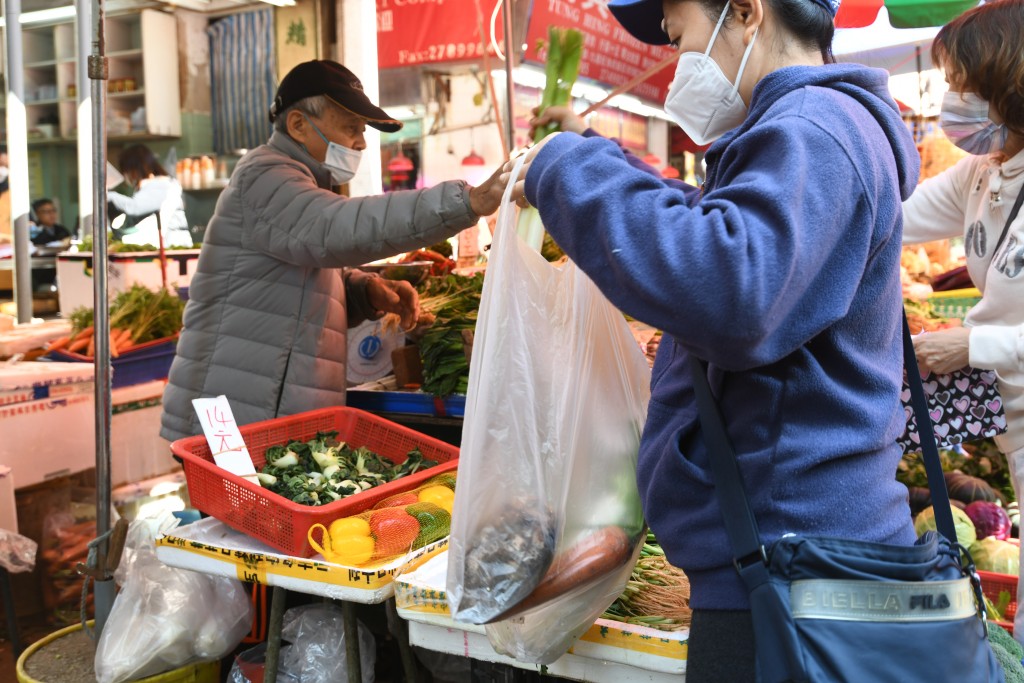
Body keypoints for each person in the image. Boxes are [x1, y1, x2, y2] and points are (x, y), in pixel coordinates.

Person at [506, 0, 920, 677]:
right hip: (783, 567)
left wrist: (565, 167)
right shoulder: (802, 131)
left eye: (680, 35)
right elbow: (718, 232)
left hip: (793, 579)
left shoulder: (816, 128)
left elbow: (732, 287)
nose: (678, 62)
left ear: (748, 12)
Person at [159, 60, 504, 442]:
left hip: (266, 412)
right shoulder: (265, 174)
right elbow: (332, 229)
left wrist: (365, 291)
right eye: (351, 127)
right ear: (298, 125)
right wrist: (466, 202)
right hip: (235, 415)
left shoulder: (302, 184)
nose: (360, 142)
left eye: (362, 130)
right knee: (236, 503)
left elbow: (301, 273)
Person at [901, 0, 1024, 641]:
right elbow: (888, 216)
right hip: (1014, 426)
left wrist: (975, 346)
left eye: (962, 85)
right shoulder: (982, 172)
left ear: (1008, 81)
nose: (953, 101)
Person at [109, 144, 193, 248]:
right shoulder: (151, 186)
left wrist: (110, 196)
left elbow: (135, 207)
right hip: (166, 249)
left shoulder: (162, 185)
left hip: (175, 249)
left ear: (134, 169)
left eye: (126, 171)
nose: (126, 176)